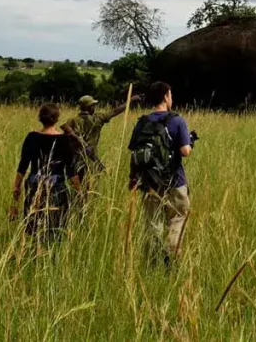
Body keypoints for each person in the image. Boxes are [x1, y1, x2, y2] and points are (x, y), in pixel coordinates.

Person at [127, 82, 197, 266]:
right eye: (170, 94)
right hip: (174, 182)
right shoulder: (177, 120)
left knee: (152, 224)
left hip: (149, 182)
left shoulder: (142, 122)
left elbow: (134, 153)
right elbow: (185, 152)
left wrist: (132, 178)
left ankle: (152, 262)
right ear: (166, 96)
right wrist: (190, 142)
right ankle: (172, 261)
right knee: (177, 220)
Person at [9, 103, 83, 241]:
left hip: (34, 185)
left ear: (40, 118)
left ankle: (36, 251)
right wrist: (79, 192)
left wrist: (16, 187)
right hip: (56, 188)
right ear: (57, 119)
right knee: (55, 227)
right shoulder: (64, 140)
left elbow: (23, 166)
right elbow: (71, 171)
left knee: (34, 225)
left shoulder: (31, 137)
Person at [61, 94, 140, 183]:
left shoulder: (72, 120)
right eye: (93, 106)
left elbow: (65, 139)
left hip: (76, 161)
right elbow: (115, 111)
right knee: (91, 187)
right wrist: (130, 101)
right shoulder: (97, 119)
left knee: (78, 188)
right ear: (90, 107)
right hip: (91, 161)